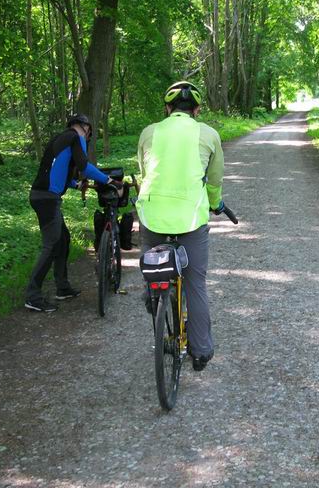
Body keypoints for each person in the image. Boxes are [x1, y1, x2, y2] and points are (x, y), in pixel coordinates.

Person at [136, 81, 225, 371]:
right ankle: (200, 351)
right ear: (197, 110)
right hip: (190, 220)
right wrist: (215, 203)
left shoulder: (150, 132)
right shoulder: (209, 134)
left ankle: (155, 295)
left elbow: (144, 171)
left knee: (153, 271)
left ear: (167, 108)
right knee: (195, 283)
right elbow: (214, 180)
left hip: (152, 215)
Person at [25, 114, 120, 312]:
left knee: (63, 240)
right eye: (89, 133)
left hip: (43, 196)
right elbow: (85, 167)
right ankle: (32, 295)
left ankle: (63, 287)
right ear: (85, 128)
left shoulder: (60, 139)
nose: (87, 137)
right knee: (51, 245)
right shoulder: (75, 138)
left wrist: (76, 185)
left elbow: (58, 174)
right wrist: (108, 180)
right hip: (47, 198)